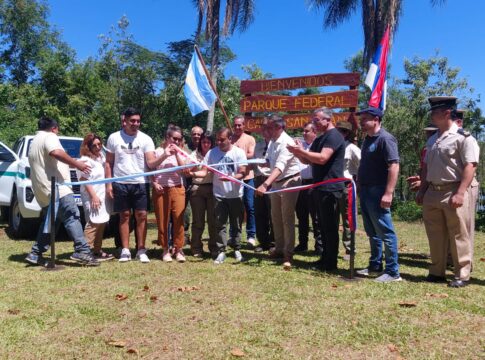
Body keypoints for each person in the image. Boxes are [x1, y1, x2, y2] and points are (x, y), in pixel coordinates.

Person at [416, 97, 478, 287]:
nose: (432, 115)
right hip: (433, 191)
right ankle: (437, 271)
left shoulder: (463, 137)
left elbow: (470, 165)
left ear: (447, 113)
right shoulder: (433, 139)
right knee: (435, 233)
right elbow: (426, 167)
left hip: (453, 189)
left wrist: (460, 192)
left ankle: (462, 274)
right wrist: (422, 190)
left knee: (459, 233)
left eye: (435, 111)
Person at [25, 117, 99, 266]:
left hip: (43, 190)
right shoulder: (50, 136)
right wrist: (77, 164)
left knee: (52, 221)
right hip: (57, 188)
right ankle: (82, 251)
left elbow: (50, 159)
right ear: (54, 128)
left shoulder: (35, 141)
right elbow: (56, 153)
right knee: (72, 216)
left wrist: (71, 160)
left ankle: (36, 253)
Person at [288, 108, 344, 271]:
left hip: (330, 187)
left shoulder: (334, 136)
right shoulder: (320, 139)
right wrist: (297, 152)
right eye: (314, 120)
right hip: (319, 187)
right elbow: (307, 161)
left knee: (330, 226)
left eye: (317, 120)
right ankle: (324, 258)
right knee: (322, 225)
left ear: (328, 119)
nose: (315, 123)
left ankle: (331, 262)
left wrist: (302, 151)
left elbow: (322, 158)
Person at [355, 106, 401, 282]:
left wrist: (388, 192)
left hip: (379, 190)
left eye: (365, 119)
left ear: (376, 119)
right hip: (366, 190)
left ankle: (393, 271)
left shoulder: (386, 139)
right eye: (361, 120)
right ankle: (375, 265)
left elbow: (394, 166)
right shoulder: (367, 139)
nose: (362, 123)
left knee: (385, 231)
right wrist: (359, 185)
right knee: (372, 231)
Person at [105, 107, 155, 263]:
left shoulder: (146, 139)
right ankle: (125, 250)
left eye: (138, 121)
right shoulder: (114, 138)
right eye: (132, 121)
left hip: (141, 183)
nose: (135, 124)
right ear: (124, 121)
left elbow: (151, 162)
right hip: (120, 182)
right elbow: (108, 163)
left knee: (142, 216)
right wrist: (109, 184)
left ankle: (141, 249)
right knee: (124, 216)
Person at [191, 128, 247, 264]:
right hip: (219, 194)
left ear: (230, 139)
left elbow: (243, 172)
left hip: (235, 194)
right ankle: (221, 251)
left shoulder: (239, 152)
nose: (219, 142)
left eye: (222, 139)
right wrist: (191, 173)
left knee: (236, 223)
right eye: (217, 139)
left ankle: (236, 248)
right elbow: (204, 172)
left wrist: (232, 177)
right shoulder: (211, 153)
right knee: (220, 224)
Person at [256, 115, 301, 270]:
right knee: (276, 217)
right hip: (276, 183)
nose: (265, 130)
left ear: (278, 127)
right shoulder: (272, 142)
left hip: (289, 181)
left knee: (287, 218)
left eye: (268, 127)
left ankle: (288, 253)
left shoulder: (287, 142)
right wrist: (251, 163)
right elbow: (268, 161)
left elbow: (280, 167)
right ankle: (279, 248)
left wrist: (265, 184)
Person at [152, 126, 187, 263]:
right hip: (161, 189)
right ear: (167, 138)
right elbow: (150, 167)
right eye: (174, 138)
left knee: (178, 220)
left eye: (179, 139)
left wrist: (177, 153)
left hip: (177, 188)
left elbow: (184, 170)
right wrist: (154, 183)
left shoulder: (182, 152)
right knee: (162, 220)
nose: (177, 141)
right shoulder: (158, 151)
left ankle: (178, 249)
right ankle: (165, 249)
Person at [77, 133, 113, 261]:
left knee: (102, 221)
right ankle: (84, 251)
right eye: (94, 145)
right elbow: (84, 179)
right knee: (93, 223)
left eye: (99, 144)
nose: (98, 147)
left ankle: (97, 250)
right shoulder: (84, 160)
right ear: (88, 146)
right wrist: (93, 197)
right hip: (91, 196)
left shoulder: (100, 158)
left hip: (102, 195)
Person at [185, 133, 217, 257]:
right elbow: (187, 172)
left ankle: (214, 247)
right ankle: (196, 248)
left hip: (213, 188)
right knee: (198, 221)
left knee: (213, 220)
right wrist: (192, 169)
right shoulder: (193, 155)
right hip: (197, 189)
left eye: (208, 142)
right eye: (203, 142)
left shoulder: (215, 154)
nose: (205, 144)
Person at [294, 122, 322, 255]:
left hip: (314, 183)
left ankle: (319, 245)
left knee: (315, 216)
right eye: (303, 131)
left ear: (314, 132)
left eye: (307, 131)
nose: (304, 133)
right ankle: (302, 243)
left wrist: (302, 151)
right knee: (301, 215)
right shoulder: (301, 145)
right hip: (300, 183)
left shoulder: (318, 145)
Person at [335, 121, 361, 260]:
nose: (339, 133)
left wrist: (357, 181)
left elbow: (362, 166)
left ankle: (350, 249)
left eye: (342, 131)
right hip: (332, 186)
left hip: (346, 186)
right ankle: (331, 248)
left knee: (347, 219)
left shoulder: (352, 148)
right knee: (332, 218)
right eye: (338, 130)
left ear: (347, 134)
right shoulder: (332, 147)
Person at [231, 115, 257, 247]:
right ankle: (234, 234)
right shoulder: (230, 139)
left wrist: (236, 153)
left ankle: (251, 235)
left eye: (239, 125)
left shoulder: (250, 139)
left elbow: (251, 154)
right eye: (235, 125)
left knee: (250, 206)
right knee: (235, 208)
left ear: (244, 126)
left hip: (247, 178)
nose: (237, 127)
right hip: (233, 178)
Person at [253, 117, 274, 253]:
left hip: (271, 181)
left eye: (267, 127)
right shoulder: (258, 145)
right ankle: (263, 242)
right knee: (260, 212)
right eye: (262, 127)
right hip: (258, 179)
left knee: (273, 213)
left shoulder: (277, 145)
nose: (264, 130)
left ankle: (274, 242)